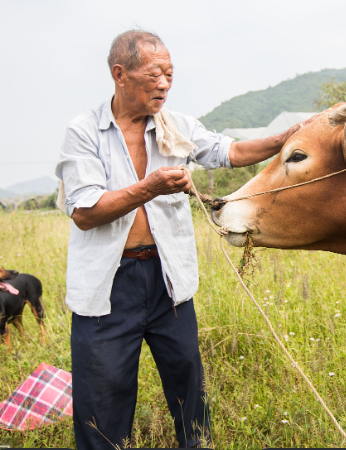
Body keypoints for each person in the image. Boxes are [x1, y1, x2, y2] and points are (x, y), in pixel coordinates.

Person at [55, 30, 305, 449]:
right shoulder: (84, 132)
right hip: (108, 285)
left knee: (189, 386)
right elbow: (84, 212)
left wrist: (285, 139)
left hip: (168, 279)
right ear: (120, 74)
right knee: (103, 397)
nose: (165, 84)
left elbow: (230, 151)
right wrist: (149, 187)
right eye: (155, 74)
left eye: (170, 74)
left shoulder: (178, 126)